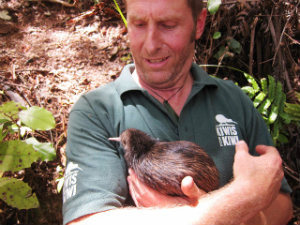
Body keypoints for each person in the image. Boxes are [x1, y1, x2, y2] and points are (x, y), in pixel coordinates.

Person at [62, 0, 293, 224]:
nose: (151, 45)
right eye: (139, 24)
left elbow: (282, 205)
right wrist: (243, 198)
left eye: (168, 25)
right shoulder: (97, 111)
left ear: (199, 24)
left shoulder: (233, 100)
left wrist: (172, 213)